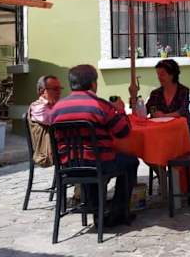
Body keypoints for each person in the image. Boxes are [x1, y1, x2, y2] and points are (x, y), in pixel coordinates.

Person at [51, 65, 139, 227]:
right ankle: (118, 212)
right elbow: (123, 132)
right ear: (93, 84)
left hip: (68, 166)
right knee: (131, 161)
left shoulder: (57, 108)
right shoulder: (100, 106)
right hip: (98, 164)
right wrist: (120, 111)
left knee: (91, 160)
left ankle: (96, 209)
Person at [27, 75, 62, 167]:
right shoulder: (37, 107)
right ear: (42, 92)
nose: (59, 92)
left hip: (60, 148)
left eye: (60, 88)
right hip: (47, 153)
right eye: (55, 89)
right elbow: (53, 120)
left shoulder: (55, 105)